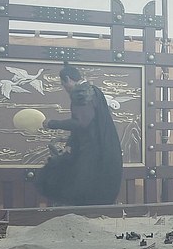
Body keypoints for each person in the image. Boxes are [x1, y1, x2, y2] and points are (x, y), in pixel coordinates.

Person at [37, 62, 123, 206]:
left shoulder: (81, 94)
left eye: (63, 84)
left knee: (76, 185)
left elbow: (80, 123)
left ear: (68, 79)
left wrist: (51, 123)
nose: (64, 87)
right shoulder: (94, 90)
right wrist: (70, 143)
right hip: (103, 148)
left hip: (90, 151)